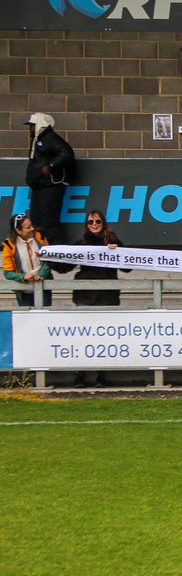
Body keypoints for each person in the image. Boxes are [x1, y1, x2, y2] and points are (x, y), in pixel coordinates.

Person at [49, 211, 126, 387]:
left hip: (107, 297)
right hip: (85, 296)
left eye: (97, 221)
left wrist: (118, 252)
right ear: (86, 225)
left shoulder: (113, 242)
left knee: (104, 338)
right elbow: (64, 267)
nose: (94, 224)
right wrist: (48, 257)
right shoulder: (80, 244)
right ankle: (80, 375)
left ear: (103, 223)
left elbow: (128, 266)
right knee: (82, 337)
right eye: (90, 221)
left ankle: (101, 376)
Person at [24, 112, 75, 245]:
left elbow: (66, 153)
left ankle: (56, 255)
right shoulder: (38, 140)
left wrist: (50, 167)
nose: (30, 129)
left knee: (49, 222)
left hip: (50, 186)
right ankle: (41, 251)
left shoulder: (50, 138)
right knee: (35, 221)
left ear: (40, 125)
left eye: (32, 125)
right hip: (39, 186)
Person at [2, 214, 53, 308]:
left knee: (45, 317)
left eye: (32, 225)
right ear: (18, 231)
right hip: (24, 291)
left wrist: (41, 275)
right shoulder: (8, 245)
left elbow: (49, 260)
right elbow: (8, 273)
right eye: (28, 227)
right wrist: (22, 277)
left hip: (43, 287)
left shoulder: (40, 237)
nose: (32, 228)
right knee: (28, 319)